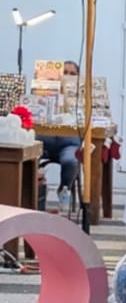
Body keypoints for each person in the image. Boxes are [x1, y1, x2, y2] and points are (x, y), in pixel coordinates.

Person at [36, 60, 82, 213]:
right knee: (28, 154)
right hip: (44, 140)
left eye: (72, 74)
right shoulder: (44, 92)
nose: (67, 77)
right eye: (65, 73)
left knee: (71, 160)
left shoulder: (82, 98)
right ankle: (29, 193)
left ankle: (64, 190)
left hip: (69, 143)